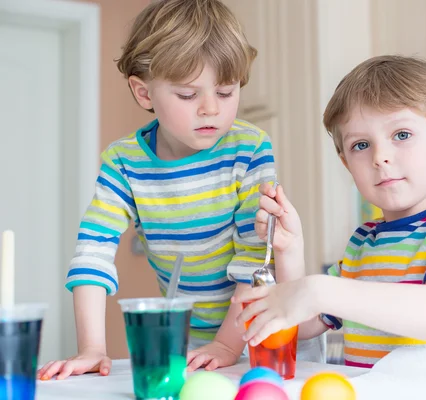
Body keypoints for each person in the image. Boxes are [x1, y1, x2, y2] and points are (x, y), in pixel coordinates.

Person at [37, 0, 277, 380]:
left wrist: (229, 345)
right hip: (187, 344)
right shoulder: (123, 162)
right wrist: (92, 348)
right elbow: (93, 252)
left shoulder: (248, 149)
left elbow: (256, 258)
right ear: (144, 93)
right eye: (187, 95)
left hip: (255, 338)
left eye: (226, 92)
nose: (210, 109)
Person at [234, 55, 426, 368]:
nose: (380, 157)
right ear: (346, 163)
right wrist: (290, 250)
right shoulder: (364, 242)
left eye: (401, 135)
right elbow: (303, 326)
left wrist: (320, 290)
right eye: (361, 145)